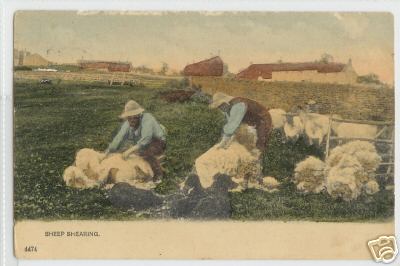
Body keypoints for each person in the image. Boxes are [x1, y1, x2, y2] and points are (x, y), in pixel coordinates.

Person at [105, 100, 166, 181]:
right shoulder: (127, 123)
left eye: (135, 117)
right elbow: (118, 138)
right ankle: (139, 169)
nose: (132, 120)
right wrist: (107, 152)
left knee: (146, 153)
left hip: (157, 141)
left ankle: (158, 173)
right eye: (129, 118)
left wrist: (130, 150)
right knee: (125, 151)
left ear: (139, 115)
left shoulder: (147, 119)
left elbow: (146, 138)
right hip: (142, 143)